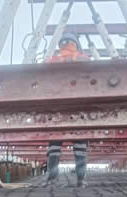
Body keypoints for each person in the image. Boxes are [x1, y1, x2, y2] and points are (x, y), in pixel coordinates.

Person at [46, 33, 90, 187]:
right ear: (76, 44)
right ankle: (81, 179)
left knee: (54, 146)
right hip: (79, 109)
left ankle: (52, 179)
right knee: (80, 147)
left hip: (57, 108)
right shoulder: (84, 58)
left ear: (60, 45)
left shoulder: (53, 60)